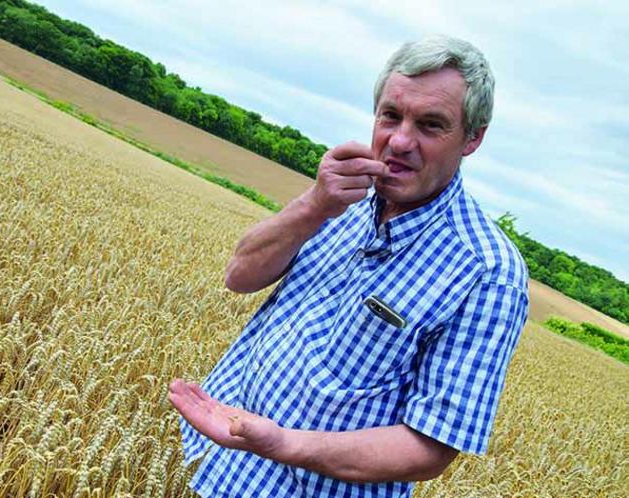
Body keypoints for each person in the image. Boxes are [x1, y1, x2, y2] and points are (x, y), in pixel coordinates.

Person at [169, 34, 529, 498]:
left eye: (431, 125)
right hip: (219, 463)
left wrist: (282, 443)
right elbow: (239, 275)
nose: (400, 141)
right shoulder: (344, 198)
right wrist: (314, 204)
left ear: (473, 138)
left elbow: (429, 446)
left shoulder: (488, 273)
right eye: (391, 115)